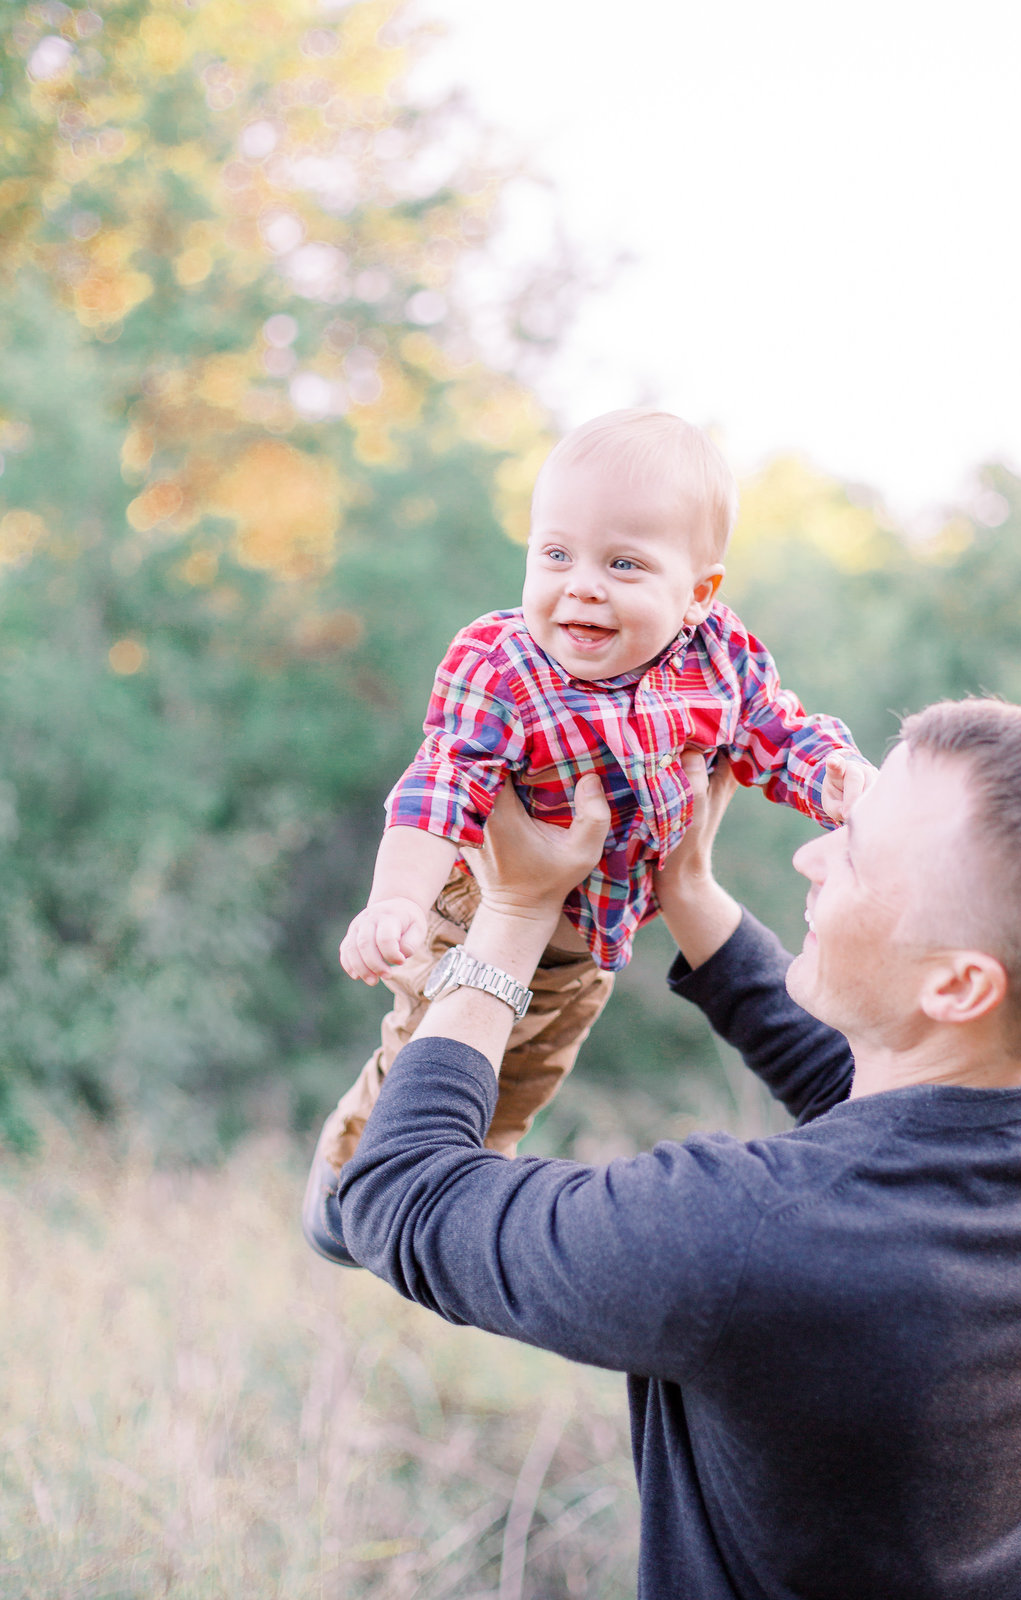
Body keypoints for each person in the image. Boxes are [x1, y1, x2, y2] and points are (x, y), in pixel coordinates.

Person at [337, 698, 1021, 1600]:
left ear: (961, 982)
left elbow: (400, 1195)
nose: (810, 855)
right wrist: (688, 891)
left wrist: (512, 914)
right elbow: (891, 1086)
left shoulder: (741, 1241)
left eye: (855, 852)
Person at [305, 408, 874, 1263]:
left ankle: (453, 1201)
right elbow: (438, 788)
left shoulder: (718, 658)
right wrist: (397, 899)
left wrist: (839, 781)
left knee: (524, 1082)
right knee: (430, 1059)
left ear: (699, 593)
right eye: (556, 554)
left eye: (624, 564)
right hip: (475, 920)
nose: (581, 586)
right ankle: (350, 1183)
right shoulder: (502, 663)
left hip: (594, 944)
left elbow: (777, 734)